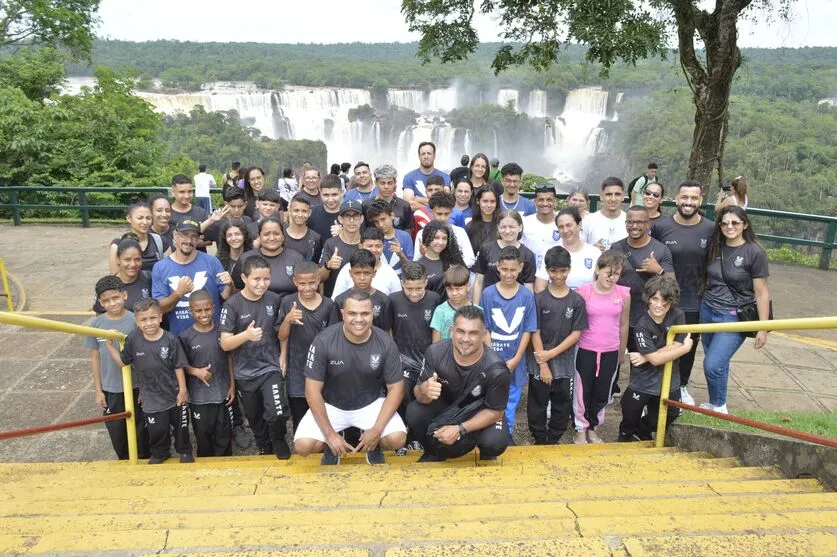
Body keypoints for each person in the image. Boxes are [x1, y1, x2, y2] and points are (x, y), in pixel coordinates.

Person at [294, 289, 407, 465]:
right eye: (352, 313)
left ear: (372, 314)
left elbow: (396, 389)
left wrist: (376, 430)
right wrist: (329, 435)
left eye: (365, 313)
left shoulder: (385, 342)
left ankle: (370, 440)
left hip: (370, 403)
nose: (359, 319)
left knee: (397, 439)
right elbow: (311, 391)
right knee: (303, 447)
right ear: (342, 314)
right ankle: (333, 441)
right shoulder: (323, 341)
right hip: (332, 405)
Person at [407, 305, 510, 461]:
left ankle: (485, 455)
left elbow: (496, 412)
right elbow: (418, 395)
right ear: (452, 330)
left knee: (494, 443)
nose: (466, 339)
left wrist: (460, 429)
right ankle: (433, 452)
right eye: (461, 331)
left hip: (479, 411)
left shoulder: (497, 369)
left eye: (473, 333)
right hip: (448, 408)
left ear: (484, 335)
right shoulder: (435, 352)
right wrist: (424, 391)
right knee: (414, 411)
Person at [104, 298, 192, 464]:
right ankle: (160, 453)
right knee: (157, 430)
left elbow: (178, 366)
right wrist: (110, 346)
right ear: (137, 321)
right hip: (150, 397)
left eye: (152, 318)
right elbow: (123, 362)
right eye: (143, 320)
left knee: (181, 427)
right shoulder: (133, 339)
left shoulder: (171, 339)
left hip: (174, 395)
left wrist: (182, 390)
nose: (149, 323)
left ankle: (185, 451)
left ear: (160, 317)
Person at [700, 206, 770, 414]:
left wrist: (763, 328)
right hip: (708, 310)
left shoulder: (754, 252)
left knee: (712, 364)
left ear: (745, 225)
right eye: (724, 223)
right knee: (717, 362)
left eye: (735, 223)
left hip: (733, 316)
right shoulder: (715, 247)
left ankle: (720, 407)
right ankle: (715, 401)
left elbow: (762, 292)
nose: (729, 227)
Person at [219, 256, 291, 458]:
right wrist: (246, 335)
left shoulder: (274, 300)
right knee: (255, 416)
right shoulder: (232, 305)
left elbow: (282, 330)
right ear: (244, 277)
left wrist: (283, 355)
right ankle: (264, 446)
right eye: (256, 279)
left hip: (270, 367)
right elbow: (225, 343)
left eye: (266, 279)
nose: (262, 284)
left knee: (276, 412)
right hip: (244, 372)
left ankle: (278, 439)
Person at [651, 180, 715, 405]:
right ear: (676, 198)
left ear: (701, 200)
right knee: (660, 343)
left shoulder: (710, 228)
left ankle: (682, 386)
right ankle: (654, 388)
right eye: (684, 197)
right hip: (664, 299)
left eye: (694, 198)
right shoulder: (660, 227)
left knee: (688, 345)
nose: (688, 203)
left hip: (696, 300)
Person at [620, 276, 692, 442]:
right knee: (630, 411)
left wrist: (647, 356)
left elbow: (676, 343)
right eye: (655, 299)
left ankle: (642, 431)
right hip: (644, 381)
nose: (659, 305)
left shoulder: (678, 315)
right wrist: (684, 349)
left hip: (669, 378)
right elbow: (657, 360)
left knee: (670, 413)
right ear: (648, 299)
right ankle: (624, 437)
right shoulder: (641, 325)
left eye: (665, 301)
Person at [86, 276, 150, 460]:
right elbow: (95, 358)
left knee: (140, 430)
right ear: (100, 302)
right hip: (110, 389)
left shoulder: (135, 322)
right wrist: (98, 390)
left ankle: (143, 460)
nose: (112, 303)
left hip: (136, 386)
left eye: (115, 298)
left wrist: (145, 387)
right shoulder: (96, 325)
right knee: (116, 431)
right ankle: (124, 461)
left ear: (124, 295)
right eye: (106, 300)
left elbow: (144, 356)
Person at [529, 247, 587, 445]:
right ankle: (539, 439)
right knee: (537, 402)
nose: (558, 276)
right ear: (546, 270)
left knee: (562, 403)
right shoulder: (538, 299)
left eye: (562, 271)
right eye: (553, 271)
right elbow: (534, 331)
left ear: (569, 270)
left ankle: (553, 439)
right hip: (539, 362)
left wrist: (550, 354)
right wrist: (543, 363)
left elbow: (576, 333)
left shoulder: (577, 300)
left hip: (564, 363)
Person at [480, 246, 537, 440]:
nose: (509, 274)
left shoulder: (527, 296)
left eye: (513, 270)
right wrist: (493, 359)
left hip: (516, 360)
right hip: (493, 359)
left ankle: (508, 433)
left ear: (520, 268)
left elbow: (528, 330)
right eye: (505, 269)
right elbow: (485, 328)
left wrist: (517, 358)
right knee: (491, 397)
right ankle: (491, 432)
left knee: (512, 398)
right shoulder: (488, 294)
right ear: (498, 267)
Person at [574, 250, 630, 444]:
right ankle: (580, 428)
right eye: (609, 272)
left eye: (617, 273)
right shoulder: (584, 291)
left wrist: (621, 351)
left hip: (610, 351)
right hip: (586, 349)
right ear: (598, 269)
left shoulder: (623, 294)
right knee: (583, 391)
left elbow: (624, 323)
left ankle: (593, 427)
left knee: (603, 391)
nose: (612, 277)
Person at [278, 261, 341, 432]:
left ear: (319, 279)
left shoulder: (329, 305)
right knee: (300, 419)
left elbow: (334, 339)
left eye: (312, 283)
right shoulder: (287, 303)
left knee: (326, 415)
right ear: (295, 282)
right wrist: (287, 320)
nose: (307, 288)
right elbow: (281, 336)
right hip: (297, 370)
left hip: (324, 371)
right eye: (302, 284)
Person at [389, 262, 441, 451]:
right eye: (409, 288)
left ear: (426, 282)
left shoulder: (435, 299)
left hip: (427, 361)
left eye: (418, 288)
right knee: (402, 398)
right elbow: (388, 331)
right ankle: (403, 440)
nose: (414, 293)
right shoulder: (393, 300)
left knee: (425, 400)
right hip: (402, 360)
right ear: (402, 283)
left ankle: (421, 438)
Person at [151, 219, 232, 336]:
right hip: (181, 337)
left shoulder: (212, 261)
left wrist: (230, 284)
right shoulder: (160, 267)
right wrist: (178, 293)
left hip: (213, 335)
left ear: (199, 239)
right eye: (184, 235)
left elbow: (226, 295)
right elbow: (160, 309)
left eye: (194, 236)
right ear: (175, 235)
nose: (188, 240)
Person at [179, 290, 235, 457]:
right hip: (199, 398)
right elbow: (180, 365)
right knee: (203, 438)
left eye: (207, 309)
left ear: (213, 308)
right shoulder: (186, 336)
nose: (203, 314)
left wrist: (232, 385)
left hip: (223, 395)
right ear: (191, 311)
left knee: (224, 437)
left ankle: (225, 470)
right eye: (198, 310)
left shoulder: (222, 332)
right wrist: (196, 371)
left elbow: (230, 359)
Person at [611, 206, 675, 342]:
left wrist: (659, 270)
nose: (634, 226)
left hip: (648, 318)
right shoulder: (616, 248)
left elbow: (673, 286)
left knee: (642, 361)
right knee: (614, 360)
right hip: (618, 317)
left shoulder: (661, 249)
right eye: (630, 222)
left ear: (647, 224)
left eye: (639, 222)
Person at [232, 217, 305, 305]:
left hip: (290, 310)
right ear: (259, 236)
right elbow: (237, 290)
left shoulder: (296, 258)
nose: (272, 238)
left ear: (283, 236)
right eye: (266, 234)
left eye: (276, 234)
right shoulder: (246, 258)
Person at [473, 210, 536, 305]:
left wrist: (528, 308)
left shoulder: (528, 255)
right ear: (498, 227)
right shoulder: (486, 249)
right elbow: (478, 281)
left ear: (520, 227)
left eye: (512, 227)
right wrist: (476, 307)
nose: (507, 231)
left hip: (516, 305)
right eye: (503, 227)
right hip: (490, 303)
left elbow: (529, 286)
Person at [534, 207, 601, 293]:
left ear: (579, 224)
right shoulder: (548, 252)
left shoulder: (595, 253)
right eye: (561, 227)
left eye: (569, 225)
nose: (565, 230)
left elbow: (600, 287)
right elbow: (540, 288)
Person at [333, 249, 395, 332]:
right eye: (357, 273)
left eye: (366, 273)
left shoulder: (384, 300)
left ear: (374, 273)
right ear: (350, 273)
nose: (362, 278)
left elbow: (386, 331)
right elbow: (335, 330)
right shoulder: (340, 300)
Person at [413, 192, 476, 269]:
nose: (443, 218)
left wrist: (452, 270)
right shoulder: (421, 234)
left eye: (446, 214)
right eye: (439, 214)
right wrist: (421, 253)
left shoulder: (460, 232)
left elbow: (470, 259)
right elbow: (416, 261)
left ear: (451, 213)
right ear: (431, 212)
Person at [332, 228, 402, 298]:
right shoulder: (347, 269)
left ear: (383, 246)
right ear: (360, 246)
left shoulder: (390, 273)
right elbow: (336, 299)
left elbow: (397, 302)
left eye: (378, 246)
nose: (374, 250)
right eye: (369, 246)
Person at [95, 238, 153, 314]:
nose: (133, 264)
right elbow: (100, 317)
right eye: (127, 259)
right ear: (118, 260)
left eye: (137, 259)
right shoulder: (106, 285)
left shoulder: (149, 278)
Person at [108, 202, 168, 273]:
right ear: (129, 218)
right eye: (140, 218)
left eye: (148, 218)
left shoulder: (160, 241)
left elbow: (168, 270)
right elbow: (115, 278)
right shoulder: (117, 245)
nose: (145, 222)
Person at [319, 200, 363, 298]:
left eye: (355, 216)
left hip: (361, 300)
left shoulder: (366, 243)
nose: (352, 221)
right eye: (347, 216)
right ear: (340, 219)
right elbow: (319, 278)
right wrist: (328, 266)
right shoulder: (330, 243)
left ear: (361, 219)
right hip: (335, 300)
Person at [417, 220, 466, 297]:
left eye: (444, 238)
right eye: (436, 238)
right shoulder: (419, 266)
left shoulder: (454, 260)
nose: (440, 242)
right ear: (427, 238)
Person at [365, 200, 414, 277]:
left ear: (392, 215)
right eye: (376, 221)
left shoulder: (405, 237)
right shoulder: (371, 239)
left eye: (383, 219)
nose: (380, 225)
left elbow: (411, 268)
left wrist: (401, 255)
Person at [430, 265, 477, 343]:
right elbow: (435, 345)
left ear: (468, 286)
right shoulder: (440, 311)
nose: (454, 293)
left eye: (458, 289)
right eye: (450, 289)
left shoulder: (477, 311)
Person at [362, 164, 413, 233]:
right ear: (376, 183)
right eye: (382, 183)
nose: (386, 187)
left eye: (389, 183)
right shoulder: (366, 205)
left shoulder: (404, 206)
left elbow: (408, 230)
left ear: (395, 183)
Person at [402, 141, 452, 211]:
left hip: (439, 220)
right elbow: (410, 204)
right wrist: (432, 207)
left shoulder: (445, 177)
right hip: (416, 220)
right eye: (423, 154)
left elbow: (445, 202)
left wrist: (418, 199)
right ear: (419, 156)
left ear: (434, 156)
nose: (426, 156)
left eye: (429, 153)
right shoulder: (409, 177)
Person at [582, 177, 628, 251]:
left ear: (623, 197)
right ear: (601, 196)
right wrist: (592, 249)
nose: (613, 199)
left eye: (617, 194)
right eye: (609, 194)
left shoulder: (630, 221)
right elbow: (579, 249)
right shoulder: (588, 221)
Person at [522, 184, 559, 269]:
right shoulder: (525, 222)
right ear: (535, 201)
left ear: (555, 201)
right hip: (529, 273)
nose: (545, 204)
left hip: (555, 273)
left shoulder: (562, 223)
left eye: (549, 200)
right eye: (541, 200)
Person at [284, 196, 323, 263]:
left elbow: (316, 265)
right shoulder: (280, 235)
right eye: (296, 210)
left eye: (304, 211)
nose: (300, 215)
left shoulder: (316, 238)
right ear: (289, 211)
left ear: (309, 212)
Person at [308, 174, 343, 241]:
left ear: (342, 193)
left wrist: (343, 234)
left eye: (334, 194)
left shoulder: (349, 214)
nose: (330, 200)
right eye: (326, 195)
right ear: (320, 193)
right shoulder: (311, 213)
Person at [466, 186, 500, 254]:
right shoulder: (469, 227)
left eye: (492, 201)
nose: (489, 205)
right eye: (485, 201)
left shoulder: (502, 226)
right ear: (478, 201)